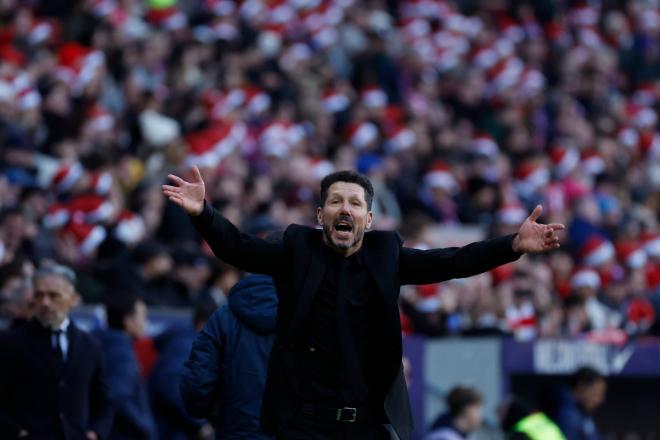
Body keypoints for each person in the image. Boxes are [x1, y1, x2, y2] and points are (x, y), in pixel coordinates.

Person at [163, 168, 564, 440]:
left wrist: (512, 245)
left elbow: (453, 261)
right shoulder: (295, 250)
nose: (345, 209)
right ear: (321, 215)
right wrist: (203, 213)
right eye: (336, 202)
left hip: (366, 425)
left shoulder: (386, 255)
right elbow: (238, 248)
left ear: (368, 220)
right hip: (301, 424)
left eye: (355, 203)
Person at [0, 263, 114, 440]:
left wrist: (95, 433)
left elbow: (103, 401)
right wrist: (17, 432)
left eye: (53, 296)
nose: (45, 303)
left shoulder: (89, 345)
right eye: (39, 295)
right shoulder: (11, 343)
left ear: (73, 299)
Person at [180, 274, 278, 440]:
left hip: (233, 430)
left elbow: (197, 384)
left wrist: (215, 415)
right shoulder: (308, 315)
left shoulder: (223, 317)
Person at [149, 297, 217, 440]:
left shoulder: (188, 342)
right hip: (171, 431)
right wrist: (199, 424)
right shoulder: (185, 345)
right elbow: (170, 383)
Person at [94, 291, 157, 440]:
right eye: (142, 316)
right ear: (128, 321)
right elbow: (119, 397)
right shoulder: (121, 353)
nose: (146, 322)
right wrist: (146, 428)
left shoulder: (102, 344)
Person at [553, 367, 607, 440]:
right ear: (581, 387)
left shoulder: (582, 412)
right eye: (596, 394)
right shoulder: (569, 416)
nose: (600, 400)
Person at [499, 397, 566, 440]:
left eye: (502, 414)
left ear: (511, 413)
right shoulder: (542, 421)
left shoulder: (521, 432)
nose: (499, 419)